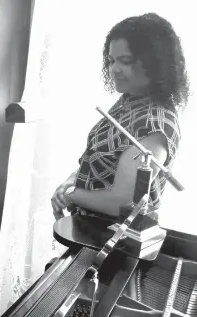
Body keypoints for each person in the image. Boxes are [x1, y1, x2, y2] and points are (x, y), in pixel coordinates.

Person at [51, 13, 189, 220]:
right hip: (88, 230)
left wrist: (71, 195)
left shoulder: (156, 124)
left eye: (125, 61)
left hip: (114, 240)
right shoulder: (131, 99)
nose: (114, 69)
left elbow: (123, 204)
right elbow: (101, 161)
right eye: (111, 60)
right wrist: (72, 180)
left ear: (155, 63)